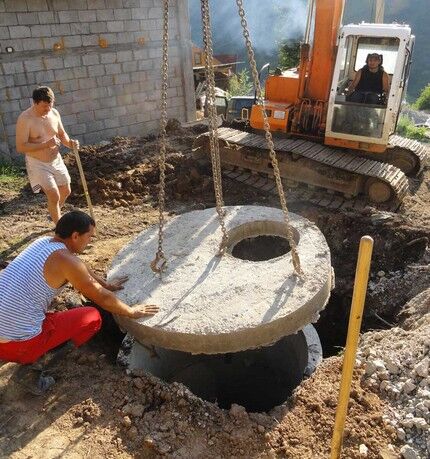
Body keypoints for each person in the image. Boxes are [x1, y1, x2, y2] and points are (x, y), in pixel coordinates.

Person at [0, 210, 159, 394]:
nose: (90, 241)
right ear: (75, 235)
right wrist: (131, 311)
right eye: (89, 237)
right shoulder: (67, 261)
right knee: (91, 317)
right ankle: (31, 370)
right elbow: (102, 297)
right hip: (17, 345)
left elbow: (80, 265)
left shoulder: (43, 242)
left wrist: (105, 283)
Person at [15, 86, 78, 224]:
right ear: (35, 103)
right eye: (44, 106)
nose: (48, 109)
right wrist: (45, 144)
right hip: (38, 163)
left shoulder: (54, 113)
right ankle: (59, 227)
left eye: (50, 105)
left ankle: (54, 212)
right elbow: (21, 146)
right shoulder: (25, 119)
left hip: (56, 160)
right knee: (53, 194)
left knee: (66, 190)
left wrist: (70, 143)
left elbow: (61, 134)